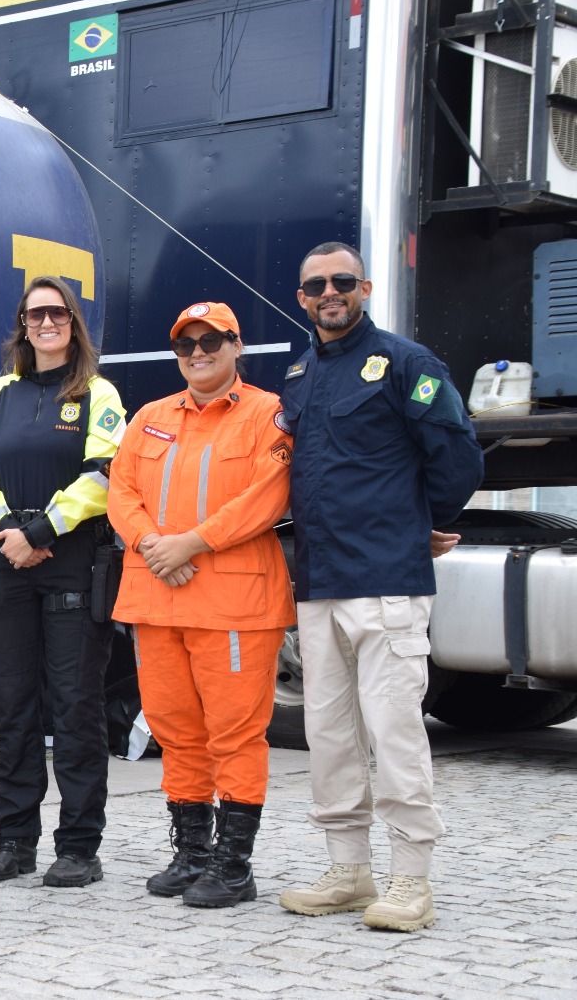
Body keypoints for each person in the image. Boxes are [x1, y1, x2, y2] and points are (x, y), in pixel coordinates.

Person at [276, 243, 483, 932]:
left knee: (394, 730)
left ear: (363, 288)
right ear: (302, 297)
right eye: (315, 285)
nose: (329, 293)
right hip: (319, 582)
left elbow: (457, 456)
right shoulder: (300, 372)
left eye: (342, 281)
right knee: (329, 732)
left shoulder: (406, 362)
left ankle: (411, 879)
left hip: (386, 580)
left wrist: (420, 523)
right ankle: (349, 870)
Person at [107, 301, 295, 908]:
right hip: (157, 598)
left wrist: (190, 543)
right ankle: (191, 854)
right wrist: (153, 545)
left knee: (235, 735)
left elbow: (267, 496)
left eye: (211, 341)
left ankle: (233, 866)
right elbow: (121, 491)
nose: (198, 353)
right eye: (186, 344)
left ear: (237, 346)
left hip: (234, 604)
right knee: (175, 731)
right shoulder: (152, 417)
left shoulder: (267, 414)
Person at [0, 276, 124, 887]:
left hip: (71, 562)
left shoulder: (99, 393)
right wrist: (8, 528)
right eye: (35, 315)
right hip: (6, 562)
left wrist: (42, 530)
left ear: (73, 324)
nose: (46, 323)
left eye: (57, 313)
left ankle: (79, 846)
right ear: (22, 327)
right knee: (13, 707)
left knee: (77, 707)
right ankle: (15, 840)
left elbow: (105, 473)